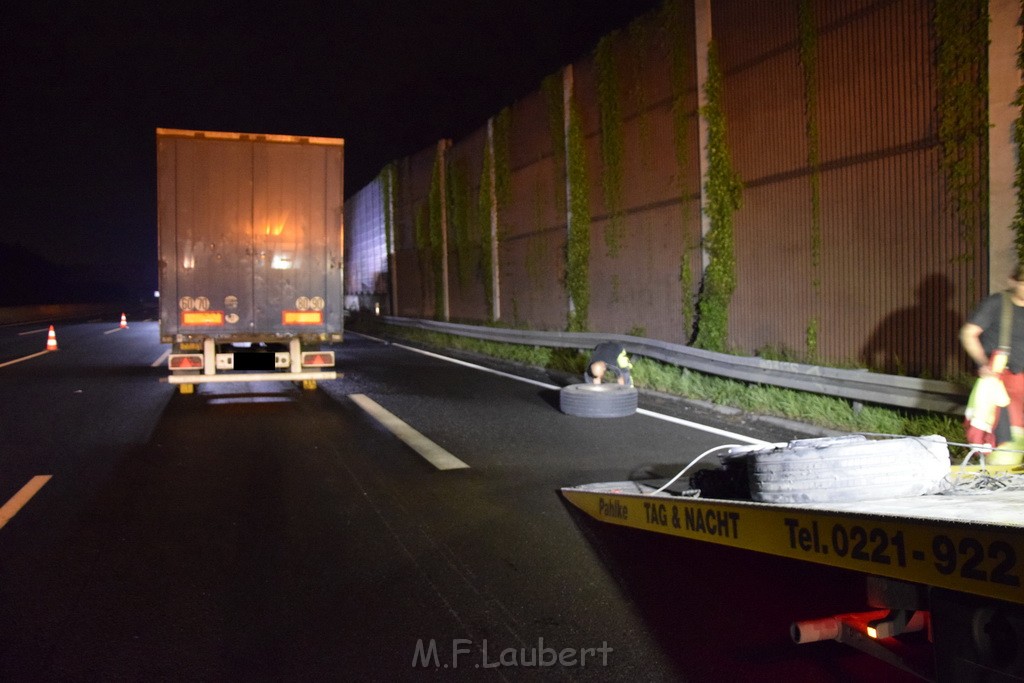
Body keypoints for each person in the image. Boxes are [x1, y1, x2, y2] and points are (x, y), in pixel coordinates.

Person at [959, 264, 1024, 461]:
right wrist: (983, 363)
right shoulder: (998, 304)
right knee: (1007, 447)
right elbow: (968, 334)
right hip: (1003, 384)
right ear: (1013, 281)